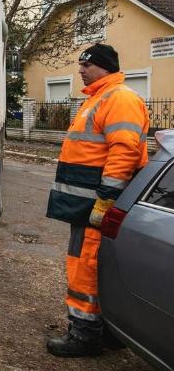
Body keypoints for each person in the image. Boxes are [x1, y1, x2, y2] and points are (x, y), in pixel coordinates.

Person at [45, 43, 149, 357]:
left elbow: (124, 152)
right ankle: (105, 331)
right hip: (87, 205)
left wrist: (105, 201)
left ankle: (84, 335)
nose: (80, 70)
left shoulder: (119, 99)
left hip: (96, 206)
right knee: (93, 266)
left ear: (102, 66)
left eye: (85, 65)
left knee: (85, 267)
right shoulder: (100, 98)